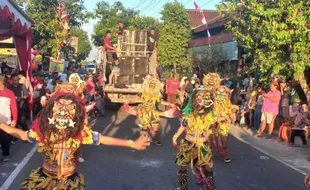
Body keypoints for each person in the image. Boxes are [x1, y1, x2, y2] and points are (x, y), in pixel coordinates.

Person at [0, 93, 150, 189]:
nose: (63, 112)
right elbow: (22, 134)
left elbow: (103, 139)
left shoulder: (81, 133)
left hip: (68, 182)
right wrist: (1, 125)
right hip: (45, 180)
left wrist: (132, 143)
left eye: (68, 109)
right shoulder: (44, 132)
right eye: (59, 108)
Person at [173, 89, 216, 190]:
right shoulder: (189, 114)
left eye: (203, 98)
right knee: (183, 165)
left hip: (203, 145)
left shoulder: (209, 115)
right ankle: (182, 186)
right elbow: (183, 126)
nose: (200, 100)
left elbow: (211, 129)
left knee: (208, 166)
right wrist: (175, 137)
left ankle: (210, 186)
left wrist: (209, 137)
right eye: (198, 97)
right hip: (188, 144)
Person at [123, 76, 179, 146]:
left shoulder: (156, 95)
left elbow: (160, 102)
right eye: (151, 86)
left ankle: (156, 139)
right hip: (144, 111)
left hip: (153, 112)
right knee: (145, 127)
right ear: (148, 86)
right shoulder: (143, 93)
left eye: (153, 87)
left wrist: (170, 104)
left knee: (155, 126)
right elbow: (136, 97)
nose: (152, 88)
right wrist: (129, 101)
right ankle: (143, 140)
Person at [0, 75, 17, 162]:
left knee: (5, 139)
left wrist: (14, 120)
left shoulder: (9, 93)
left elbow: (14, 107)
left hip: (5, 121)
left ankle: (6, 153)